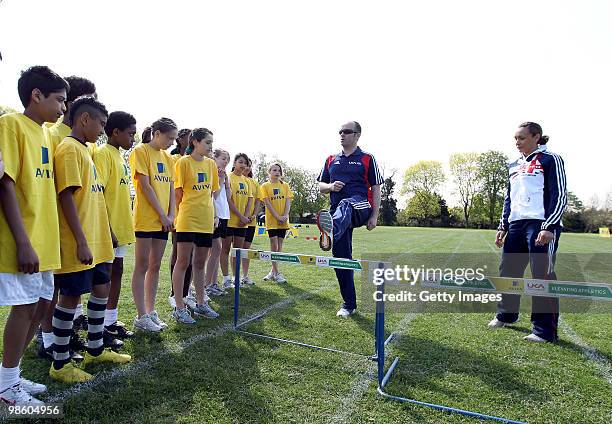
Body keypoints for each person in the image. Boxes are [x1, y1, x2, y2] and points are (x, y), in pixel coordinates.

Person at [50, 96, 131, 383]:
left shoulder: (87, 151)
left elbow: (94, 194)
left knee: (102, 288)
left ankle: (95, 349)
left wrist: (105, 230)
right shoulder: (69, 149)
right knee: (70, 297)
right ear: (84, 119)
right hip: (79, 240)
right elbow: (66, 197)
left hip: (99, 239)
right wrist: (81, 240)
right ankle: (60, 364)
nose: (102, 129)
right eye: (101, 123)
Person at [0, 65, 68, 404]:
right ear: (36, 95)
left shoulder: (45, 133)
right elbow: (5, 183)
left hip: (45, 238)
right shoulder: (10, 124)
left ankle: (10, 375)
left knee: (42, 308)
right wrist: (24, 241)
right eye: (59, 100)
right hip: (23, 239)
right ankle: (7, 388)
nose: (62, 108)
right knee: (24, 308)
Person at [489, 122, 567, 343]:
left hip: (540, 224)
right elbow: (509, 198)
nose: (517, 142)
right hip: (516, 225)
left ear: (536, 137)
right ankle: (506, 315)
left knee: (542, 275)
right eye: (515, 138)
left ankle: (544, 331)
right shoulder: (513, 165)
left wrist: (549, 226)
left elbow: (559, 195)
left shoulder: (551, 160)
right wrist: (502, 227)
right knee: (508, 272)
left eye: (521, 138)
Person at [39, 75, 98, 360]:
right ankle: (47, 337)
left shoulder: (85, 143)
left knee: (68, 288)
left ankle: (63, 335)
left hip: (79, 224)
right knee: (54, 285)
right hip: (55, 223)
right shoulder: (51, 134)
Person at [316, 121, 383, 317]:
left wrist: (375, 215)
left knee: (346, 204)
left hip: (360, 205)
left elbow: (377, 187)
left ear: (357, 135)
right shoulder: (331, 159)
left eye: (346, 132)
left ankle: (330, 231)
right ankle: (349, 304)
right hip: (337, 212)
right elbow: (321, 186)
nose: (342, 135)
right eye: (340, 132)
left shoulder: (367, 158)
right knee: (341, 259)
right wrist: (330, 187)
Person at [94, 111, 138, 348]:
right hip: (107, 229)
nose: (133, 138)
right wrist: (107, 228)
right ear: (115, 132)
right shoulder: (103, 154)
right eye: (130, 133)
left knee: (117, 271)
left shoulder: (121, 156)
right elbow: (97, 192)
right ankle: (98, 326)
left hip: (122, 227)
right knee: (103, 277)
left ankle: (110, 321)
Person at [130, 118, 177, 332]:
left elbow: (171, 189)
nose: (172, 142)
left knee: (155, 266)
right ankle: (141, 316)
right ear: (157, 133)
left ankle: (150, 311)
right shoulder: (140, 151)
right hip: (146, 219)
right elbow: (145, 185)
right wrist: (161, 214)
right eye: (169, 138)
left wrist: (170, 215)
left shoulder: (168, 158)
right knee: (142, 266)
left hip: (164, 222)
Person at [171, 128, 220, 323]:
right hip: (187, 219)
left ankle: (201, 303)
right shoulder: (183, 162)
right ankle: (179, 306)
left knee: (200, 263)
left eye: (212, 142)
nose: (210, 146)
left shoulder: (211, 165)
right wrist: (177, 216)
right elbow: (178, 194)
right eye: (207, 142)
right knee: (183, 262)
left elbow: (212, 193)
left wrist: (214, 215)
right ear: (195, 142)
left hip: (205, 220)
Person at [168, 128, 195, 309]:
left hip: (194, 217)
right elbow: (174, 189)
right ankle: (174, 293)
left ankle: (186, 292)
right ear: (180, 139)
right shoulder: (174, 158)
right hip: (179, 215)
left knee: (191, 256)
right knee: (179, 255)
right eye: (188, 137)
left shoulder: (195, 161)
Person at [220, 153, 253, 287]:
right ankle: (226, 278)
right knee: (225, 250)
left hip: (242, 223)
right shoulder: (229, 178)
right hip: (229, 221)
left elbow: (250, 200)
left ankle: (236, 277)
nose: (243, 165)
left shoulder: (246, 181)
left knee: (237, 251)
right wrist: (241, 216)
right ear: (234, 163)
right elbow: (228, 200)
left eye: (245, 163)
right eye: (240, 162)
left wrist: (245, 218)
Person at [259, 163, 293, 283]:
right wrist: (277, 216)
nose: (277, 172)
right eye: (274, 170)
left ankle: (273, 271)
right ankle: (276, 272)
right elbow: (267, 203)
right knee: (274, 245)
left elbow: (288, 202)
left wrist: (284, 216)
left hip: (283, 221)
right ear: (269, 172)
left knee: (279, 247)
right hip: (272, 220)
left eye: (279, 170)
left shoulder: (285, 185)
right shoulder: (265, 186)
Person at [205, 149, 231, 295]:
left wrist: (226, 182)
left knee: (216, 251)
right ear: (214, 158)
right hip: (214, 214)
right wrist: (220, 180)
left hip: (224, 214)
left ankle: (213, 283)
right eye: (223, 158)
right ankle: (206, 284)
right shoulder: (211, 171)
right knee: (215, 250)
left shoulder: (223, 174)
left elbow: (228, 196)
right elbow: (213, 195)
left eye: (228, 159)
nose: (226, 161)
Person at [240, 159, 261, 286]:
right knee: (235, 250)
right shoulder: (235, 179)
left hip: (251, 222)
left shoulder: (254, 183)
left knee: (246, 249)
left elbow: (258, 201)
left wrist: (254, 214)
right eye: (245, 164)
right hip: (238, 222)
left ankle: (245, 275)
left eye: (249, 165)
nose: (247, 167)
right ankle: (233, 277)